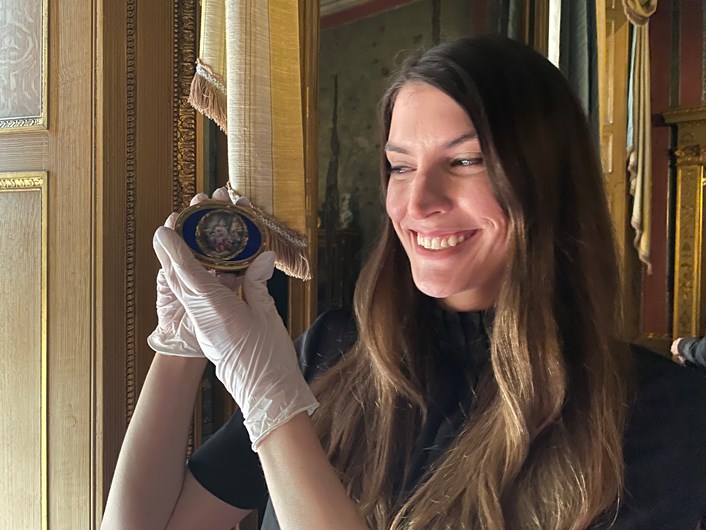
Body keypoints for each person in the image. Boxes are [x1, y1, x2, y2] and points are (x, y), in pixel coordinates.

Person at [101, 35, 706, 530]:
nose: (418, 202)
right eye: (399, 166)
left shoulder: (658, 415)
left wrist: (273, 408)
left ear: (548, 181)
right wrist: (181, 343)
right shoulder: (336, 353)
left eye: (464, 161)